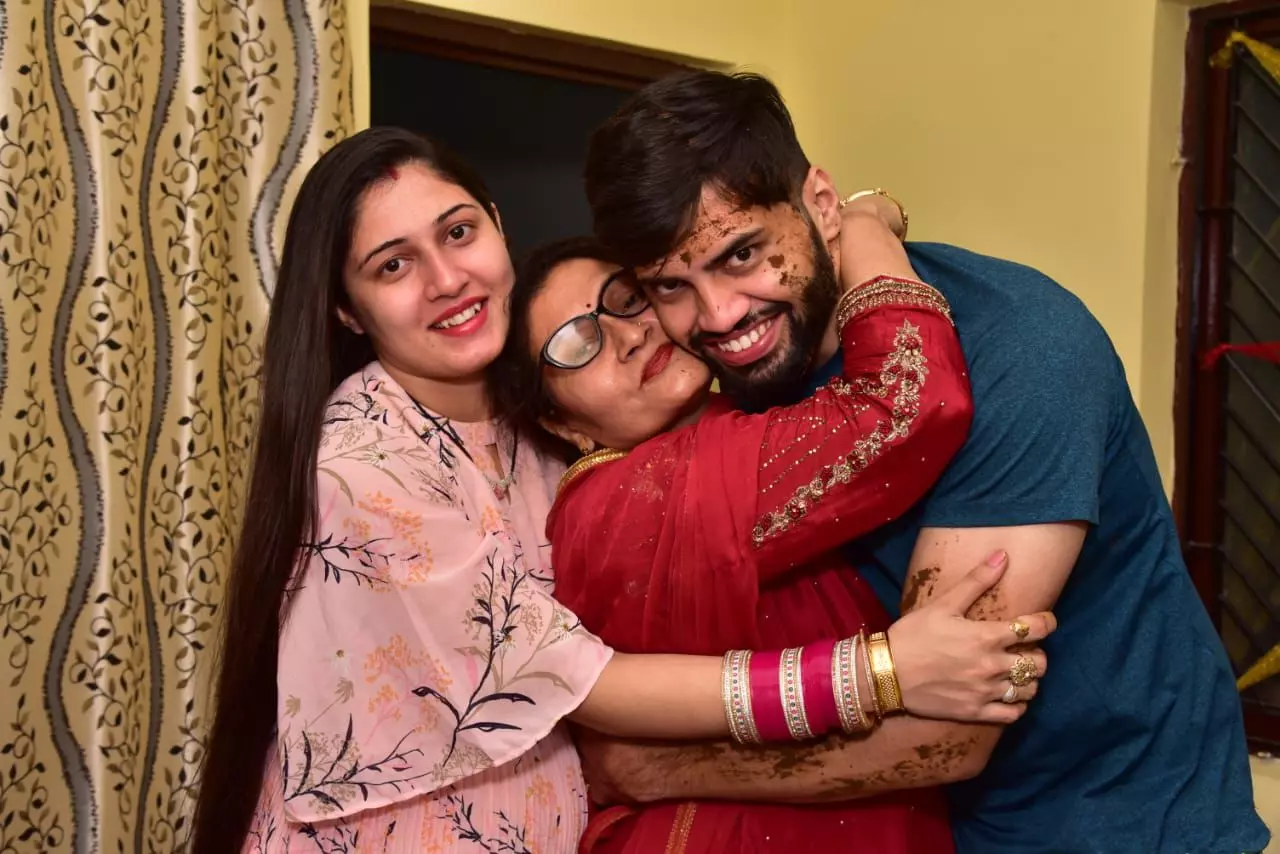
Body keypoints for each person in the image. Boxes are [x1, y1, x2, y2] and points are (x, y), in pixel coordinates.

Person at [190, 127, 1053, 854]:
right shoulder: (367, 467)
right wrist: (884, 672)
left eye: (457, 233)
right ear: (347, 310)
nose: (446, 279)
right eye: (392, 266)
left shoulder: (539, 429)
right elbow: (580, 681)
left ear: (495, 223)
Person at [578, 70, 1270, 853]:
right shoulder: (734, 381)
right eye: (671, 285)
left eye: (742, 255)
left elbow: (944, 732)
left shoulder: (1020, 350)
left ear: (822, 204)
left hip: (1125, 819)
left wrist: (655, 770)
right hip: (935, 828)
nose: (719, 315)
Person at [489, 212, 1056, 852]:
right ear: (561, 424)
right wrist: (864, 224)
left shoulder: (745, 424)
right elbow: (903, 396)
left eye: (627, 298)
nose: (627, 335)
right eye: (574, 344)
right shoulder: (625, 501)